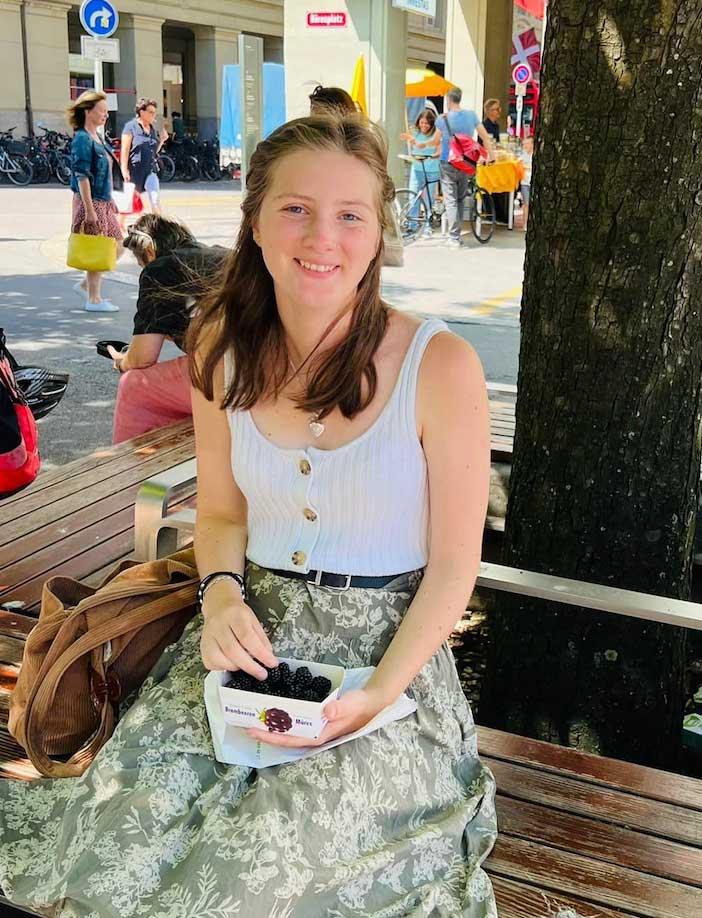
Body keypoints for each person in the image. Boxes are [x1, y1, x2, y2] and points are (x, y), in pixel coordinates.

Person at [0, 114, 498, 915]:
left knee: (255, 877)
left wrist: (377, 695)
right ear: (257, 222)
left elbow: (452, 567)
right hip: (243, 643)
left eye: (350, 215)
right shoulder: (220, 350)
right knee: (119, 842)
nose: (322, 237)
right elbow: (224, 513)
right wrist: (221, 593)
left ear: (377, 234)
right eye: (296, 209)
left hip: (382, 671)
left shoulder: (439, 365)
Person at [110, 214, 228, 443]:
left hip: (233, 374)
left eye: (141, 261)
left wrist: (121, 361)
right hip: (273, 364)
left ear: (150, 251)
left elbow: (142, 358)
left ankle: (131, 474)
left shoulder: (159, 270)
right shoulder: (218, 255)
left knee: (132, 386)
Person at [67, 90, 124, 312]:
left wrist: (110, 200)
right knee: (98, 246)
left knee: (117, 244)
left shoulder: (97, 136)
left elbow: (105, 173)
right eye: (102, 110)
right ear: (88, 111)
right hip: (90, 202)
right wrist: (90, 211)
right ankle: (94, 299)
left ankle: (85, 286)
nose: (106, 115)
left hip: (102, 200)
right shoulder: (82, 138)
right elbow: (82, 176)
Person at [437, 86, 493, 248]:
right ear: (459, 99)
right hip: (465, 163)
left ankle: (453, 237)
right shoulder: (471, 116)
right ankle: (457, 235)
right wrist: (492, 155)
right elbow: (485, 137)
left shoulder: (442, 119)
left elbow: (435, 141)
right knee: (460, 199)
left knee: (451, 200)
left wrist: (418, 143)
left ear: (448, 99)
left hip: (447, 162)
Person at [120, 97, 169, 214]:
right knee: (128, 205)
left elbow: (153, 151)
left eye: (154, 113)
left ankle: (159, 225)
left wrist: (162, 140)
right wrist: (124, 169)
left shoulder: (152, 129)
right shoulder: (131, 127)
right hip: (134, 170)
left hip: (150, 170)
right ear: (141, 112)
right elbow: (125, 149)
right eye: (151, 112)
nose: (153, 115)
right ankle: (119, 225)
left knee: (155, 199)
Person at [400, 108, 441, 236]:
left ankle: (427, 226)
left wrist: (434, 155)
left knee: (428, 199)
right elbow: (412, 148)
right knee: (414, 196)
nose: (424, 125)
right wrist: (410, 142)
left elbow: (439, 150)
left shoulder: (436, 135)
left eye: (427, 123)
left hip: (432, 169)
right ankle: (413, 224)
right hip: (417, 168)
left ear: (432, 124)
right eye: (422, 122)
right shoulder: (415, 133)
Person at [519, 134, 534, 231]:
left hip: (532, 181)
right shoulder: (523, 154)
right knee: (526, 204)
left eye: (527, 143)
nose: (525, 146)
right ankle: (525, 224)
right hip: (525, 182)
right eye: (524, 144)